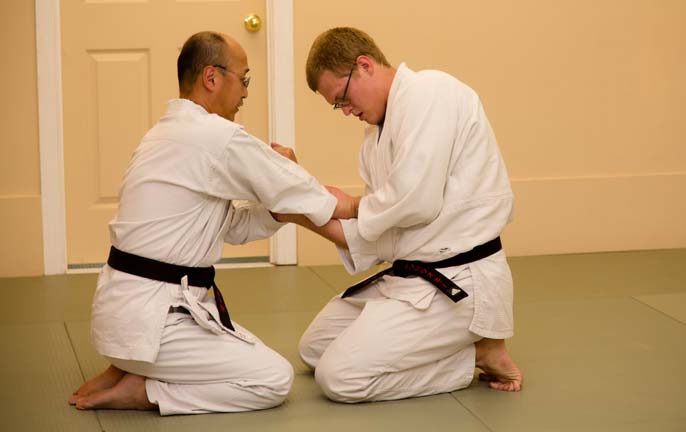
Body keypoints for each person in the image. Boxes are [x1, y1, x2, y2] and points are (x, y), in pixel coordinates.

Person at [68, 31, 355, 415]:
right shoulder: (216, 136)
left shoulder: (161, 134)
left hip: (123, 319)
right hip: (154, 322)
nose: (246, 92)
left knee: (248, 351)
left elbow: (229, 226)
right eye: (244, 79)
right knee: (273, 379)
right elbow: (305, 194)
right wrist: (363, 207)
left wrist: (281, 206)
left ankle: (129, 368)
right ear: (211, 77)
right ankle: (147, 391)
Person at [277, 26, 523, 403]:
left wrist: (351, 205)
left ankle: (477, 354)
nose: (346, 111)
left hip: (458, 281)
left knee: (339, 379)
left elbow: (416, 201)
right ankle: (459, 348)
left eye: (342, 98)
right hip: (410, 277)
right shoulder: (374, 138)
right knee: (314, 349)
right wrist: (299, 202)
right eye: (337, 106)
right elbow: (378, 232)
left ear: (364, 65)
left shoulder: (431, 93)